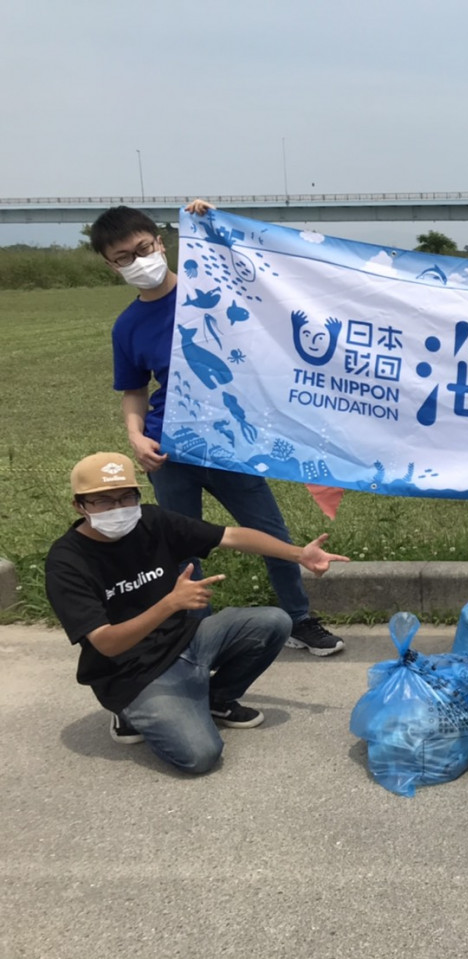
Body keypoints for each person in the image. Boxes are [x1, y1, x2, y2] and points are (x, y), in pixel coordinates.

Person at [89, 201, 346, 656]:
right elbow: (133, 390)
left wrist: (210, 218)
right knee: (182, 548)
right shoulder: (127, 327)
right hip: (170, 452)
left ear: (160, 242)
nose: (137, 261)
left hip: (231, 441)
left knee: (269, 531)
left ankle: (299, 620)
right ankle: (196, 634)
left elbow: (254, 269)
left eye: (142, 248)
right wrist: (135, 436)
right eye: (122, 258)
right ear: (110, 266)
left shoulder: (209, 288)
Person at [45, 452, 351, 774]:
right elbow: (105, 643)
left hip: (183, 639)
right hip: (129, 672)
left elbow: (230, 535)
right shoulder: (67, 562)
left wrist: (298, 554)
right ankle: (129, 711)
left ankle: (217, 699)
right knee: (201, 755)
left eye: (126, 497)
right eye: (103, 502)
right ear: (79, 506)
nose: (118, 509)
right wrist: (170, 604)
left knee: (274, 621)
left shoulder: (152, 521)